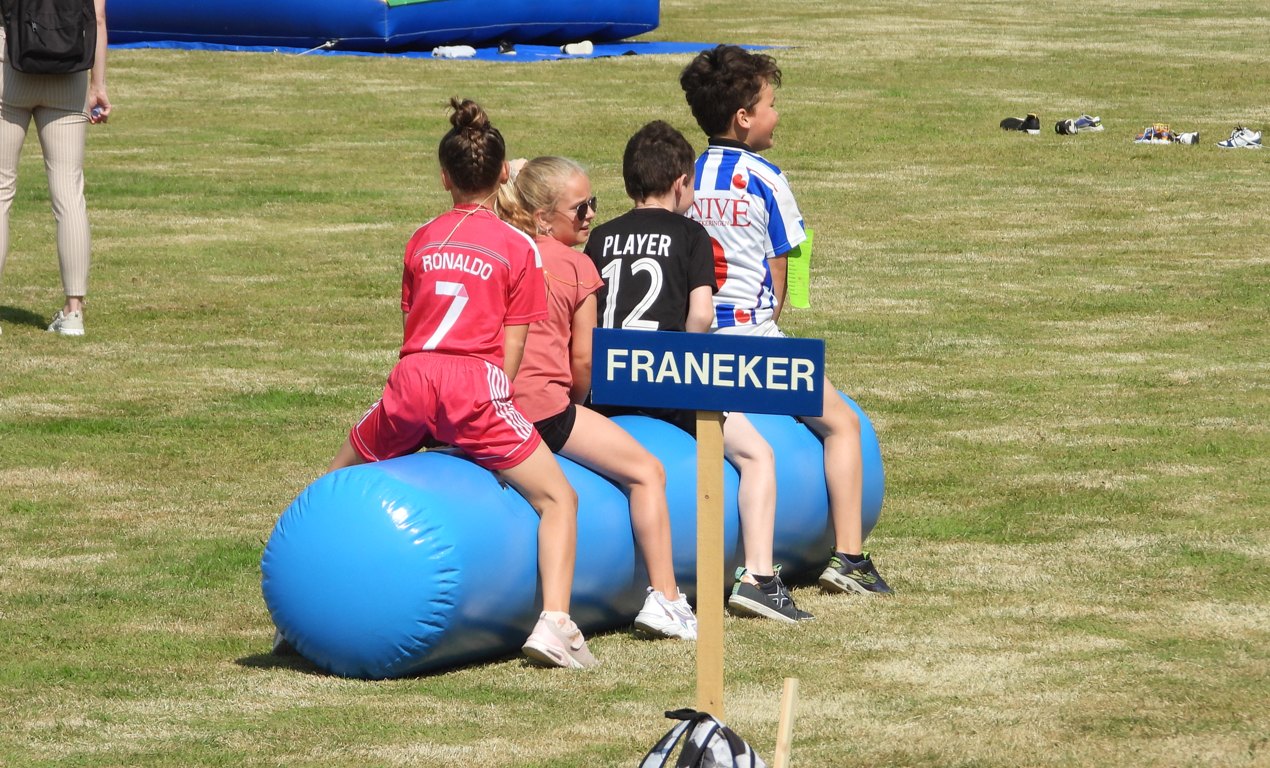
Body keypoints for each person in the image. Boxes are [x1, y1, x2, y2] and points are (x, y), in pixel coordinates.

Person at [326, 99, 597, 669]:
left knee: (335, 477)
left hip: (412, 377)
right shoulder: (519, 247)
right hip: (475, 385)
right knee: (559, 498)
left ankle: (309, 602)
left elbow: (413, 326)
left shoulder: (421, 238)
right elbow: (510, 354)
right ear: (503, 178)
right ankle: (555, 624)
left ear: (444, 177)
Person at [680, 45, 893, 595]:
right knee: (842, 424)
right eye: (770, 105)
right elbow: (779, 275)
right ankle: (850, 558)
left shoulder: (686, 177)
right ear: (743, 117)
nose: (777, 115)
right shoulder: (766, 178)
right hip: (755, 343)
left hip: (696, 348)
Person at [584, 120, 812, 623]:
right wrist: (690, 367)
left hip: (607, 382)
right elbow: (702, 316)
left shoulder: (600, 236)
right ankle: (759, 579)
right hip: (665, 379)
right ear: (682, 182)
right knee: (757, 456)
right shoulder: (691, 234)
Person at [498, 155, 697, 641]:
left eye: (593, 204)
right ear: (544, 216)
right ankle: (666, 598)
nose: (590, 215)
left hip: (488, 407)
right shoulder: (576, 266)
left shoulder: (501, 250)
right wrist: (579, 402)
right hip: (544, 412)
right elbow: (583, 359)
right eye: (580, 208)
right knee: (647, 472)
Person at [0, 0, 111, 337]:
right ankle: (74, 312)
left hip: (7, 62)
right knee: (69, 194)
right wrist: (98, 85)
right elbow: (99, 17)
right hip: (69, 66)